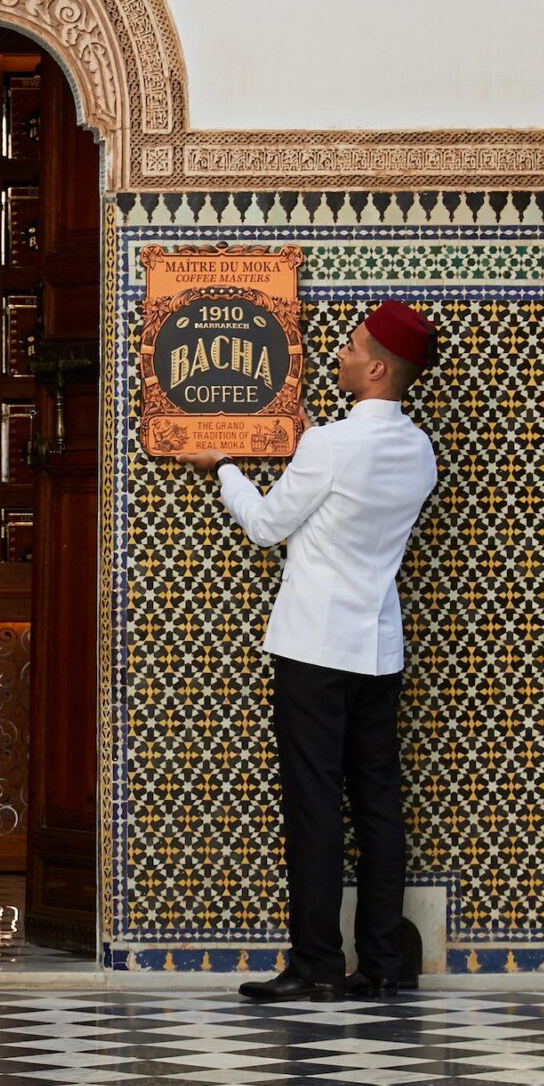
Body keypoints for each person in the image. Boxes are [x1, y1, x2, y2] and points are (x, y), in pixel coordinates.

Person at [186, 299, 439, 1003]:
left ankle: (316, 965)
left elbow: (267, 527)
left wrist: (223, 468)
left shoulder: (330, 443)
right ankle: (383, 963)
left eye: (352, 347)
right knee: (378, 804)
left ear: (377, 368)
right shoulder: (418, 450)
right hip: (377, 647)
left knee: (315, 807)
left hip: (313, 650)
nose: (339, 354)